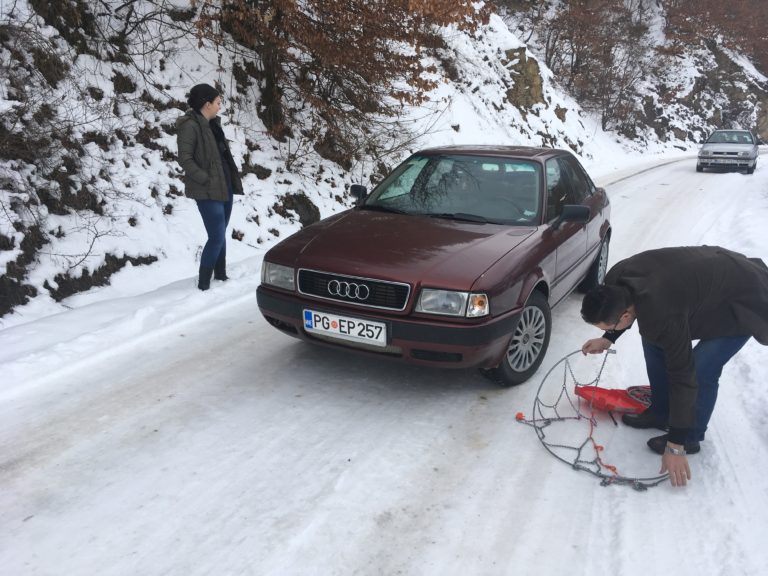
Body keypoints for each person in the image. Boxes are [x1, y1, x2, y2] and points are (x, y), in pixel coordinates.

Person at [580, 246, 768, 487]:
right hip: (706, 284)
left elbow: (683, 375)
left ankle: (690, 436)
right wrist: (609, 338)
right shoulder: (615, 281)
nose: (607, 330)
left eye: (608, 327)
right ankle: (661, 411)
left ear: (625, 316)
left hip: (743, 298)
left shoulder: (662, 310)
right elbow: (629, 310)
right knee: (652, 337)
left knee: (701, 369)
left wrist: (676, 445)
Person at [176, 83, 243, 290]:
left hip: (224, 186)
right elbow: (185, 159)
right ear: (207, 104)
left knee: (221, 233)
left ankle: (221, 276)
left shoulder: (213, 124)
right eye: (217, 103)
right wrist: (205, 178)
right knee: (215, 236)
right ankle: (203, 284)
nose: (219, 107)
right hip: (207, 189)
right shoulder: (190, 126)